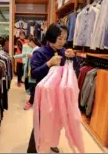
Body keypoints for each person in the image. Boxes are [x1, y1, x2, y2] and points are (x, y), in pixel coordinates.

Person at [27, 23, 78, 153]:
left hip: (58, 95)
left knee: (55, 122)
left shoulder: (63, 52)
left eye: (65, 38)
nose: (63, 42)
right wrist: (49, 64)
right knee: (40, 123)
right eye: (59, 38)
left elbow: (74, 69)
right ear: (51, 36)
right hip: (43, 96)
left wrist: (73, 57)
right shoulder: (39, 52)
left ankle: (51, 142)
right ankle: (32, 150)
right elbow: (33, 74)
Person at [23, 35, 41, 110]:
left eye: (29, 42)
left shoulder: (37, 50)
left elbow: (39, 62)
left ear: (32, 42)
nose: (28, 44)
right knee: (32, 86)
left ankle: (31, 101)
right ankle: (32, 100)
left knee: (33, 87)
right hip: (33, 71)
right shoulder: (35, 50)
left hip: (35, 72)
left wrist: (32, 57)